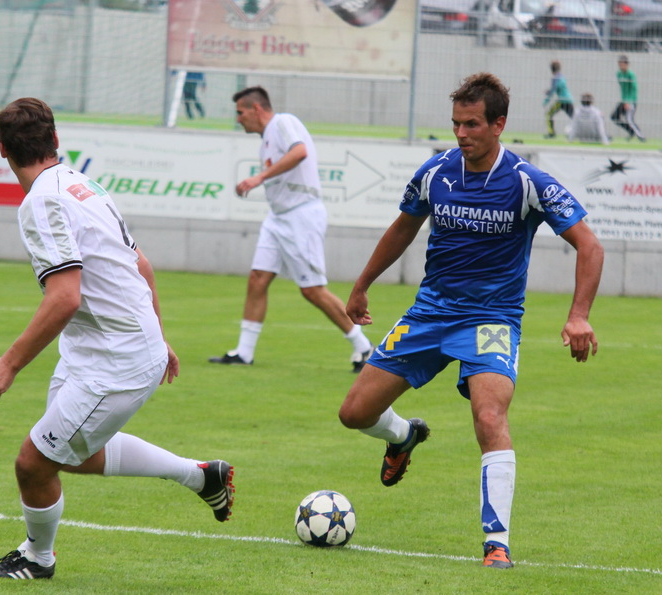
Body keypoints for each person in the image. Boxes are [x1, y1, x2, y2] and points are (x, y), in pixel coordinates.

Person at [337, 73, 603, 569]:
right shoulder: (436, 172)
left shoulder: (527, 181)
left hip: (492, 320)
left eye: (472, 124)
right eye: (456, 123)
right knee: (353, 413)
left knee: (489, 418)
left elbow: (589, 245)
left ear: (498, 125)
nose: (461, 134)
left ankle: (496, 543)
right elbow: (402, 228)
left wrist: (579, 316)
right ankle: (403, 436)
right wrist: (361, 284)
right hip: (430, 312)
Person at [0, 97, 234, 580]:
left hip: (116, 358)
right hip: (98, 347)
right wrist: (158, 336)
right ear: (55, 140)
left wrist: (8, 364)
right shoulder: (82, 184)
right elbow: (140, 264)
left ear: (2, 150)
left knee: (33, 463)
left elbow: (64, 298)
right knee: (71, 454)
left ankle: (37, 559)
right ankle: (200, 476)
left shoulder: (42, 201)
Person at [209, 86, 374, 372]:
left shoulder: (283, 122)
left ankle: (364, 347)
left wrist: (259, 177)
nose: (238, 119)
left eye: (240, 112)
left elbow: (300, 151)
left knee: (312, 290)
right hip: (277, 218)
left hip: (301, 215)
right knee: (257, 278)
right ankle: (244, 353)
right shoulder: (265, 140)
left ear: (256, 109)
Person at [611, 55, 645, 142]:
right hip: (623, 100)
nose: (620, 66)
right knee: (614, 117)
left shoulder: (631, 74)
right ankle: (631, 131)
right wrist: (624, 100)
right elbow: (622, 88)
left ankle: (641, 136)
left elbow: (634, 89)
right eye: (619, 64)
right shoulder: (618, 74)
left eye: (622, 64)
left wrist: (629, 101)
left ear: (627, 64)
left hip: (631, 101)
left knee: (629, 119)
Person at [542, 60, 573, 139]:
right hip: (569, 99)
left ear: (551, 69)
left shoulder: (555, 77)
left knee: (549, 114)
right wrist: (549, 91)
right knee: (574, 117)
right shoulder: (562, 76)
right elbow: (558, 88)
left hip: (562, 100)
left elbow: (553, 90)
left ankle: (551, 133)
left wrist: (546, 101)